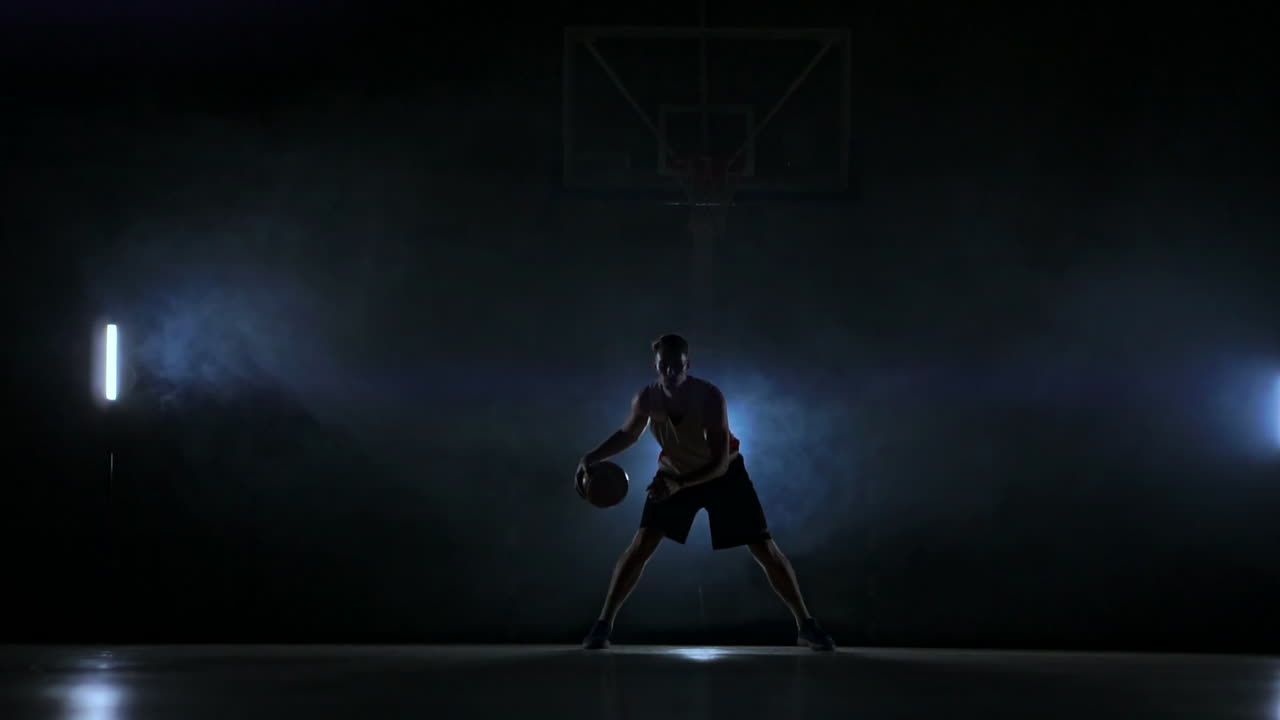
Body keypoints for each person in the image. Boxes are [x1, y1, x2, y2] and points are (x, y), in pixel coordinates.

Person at [574, 334, 836, 651]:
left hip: (722, 473)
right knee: (642, 544)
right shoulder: (646, 399)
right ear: (655, 365)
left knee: (764, 548)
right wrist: (592, 457)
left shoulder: (709, 397)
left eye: (676, 365)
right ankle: (602, 626)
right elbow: (627, 434)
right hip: (674, 472)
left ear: (688, 364)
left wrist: (679, 485)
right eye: (663, 366)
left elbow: (719, 463)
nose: (670, 372)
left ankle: (806, 625)